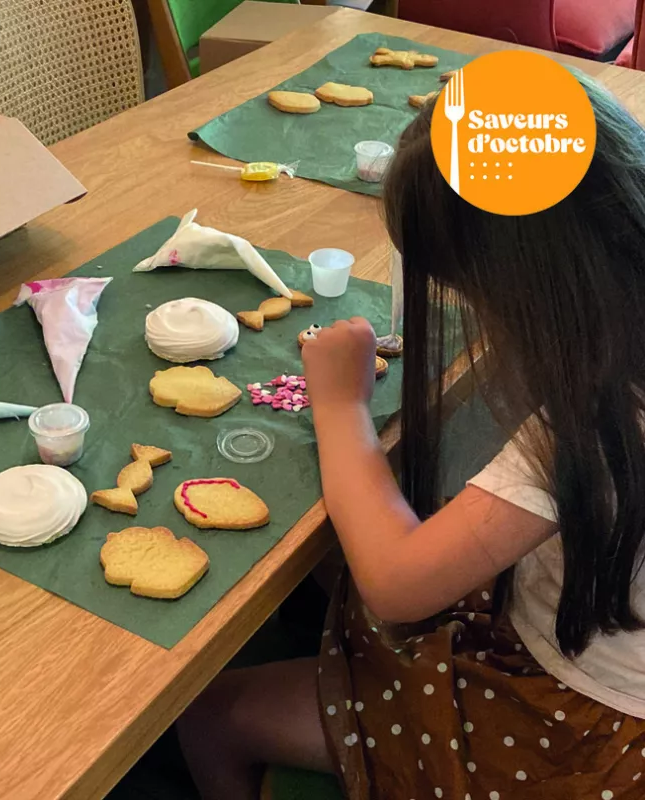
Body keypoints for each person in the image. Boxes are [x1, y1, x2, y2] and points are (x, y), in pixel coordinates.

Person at [176, 74, 645, 799]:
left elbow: (397, 587)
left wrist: (339, 406)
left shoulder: (591, 425)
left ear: (524, 289)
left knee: (210, 711)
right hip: (593, 643)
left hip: (576, 732)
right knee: (337, 563)